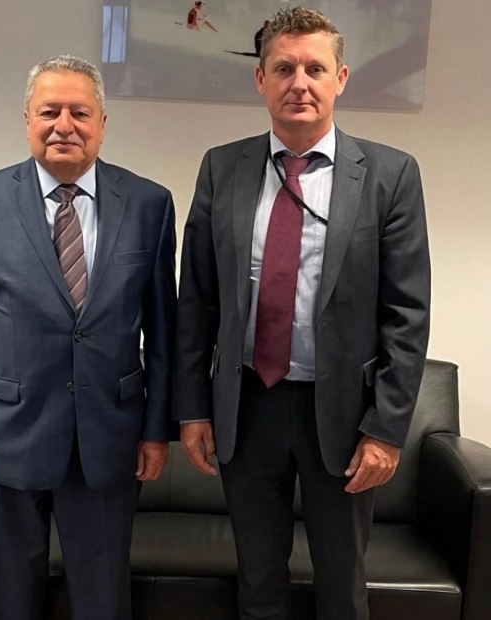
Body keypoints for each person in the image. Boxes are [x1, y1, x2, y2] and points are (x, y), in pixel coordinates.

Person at [174, 7, 430, 620]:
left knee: (341, 587)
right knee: (258, 584)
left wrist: (385, 428)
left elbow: (407, 313)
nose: (300, 83)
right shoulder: (221, 168)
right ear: (260, 79)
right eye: (284, 68)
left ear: (340, 78)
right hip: (248, 409)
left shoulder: (390, 175)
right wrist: (193, 408)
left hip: (343, 416)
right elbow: (196, 301)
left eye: (315, 69)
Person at [0, 55, 176, 620]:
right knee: (11, 597)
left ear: (102, 123)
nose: (63, 125)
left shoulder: (149, 204)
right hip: (9, 439)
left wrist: (156, 429)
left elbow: (165, 331)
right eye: (49, 112)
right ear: (27, 120)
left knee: (103, 599)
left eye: (79, 112)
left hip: (110, 439)